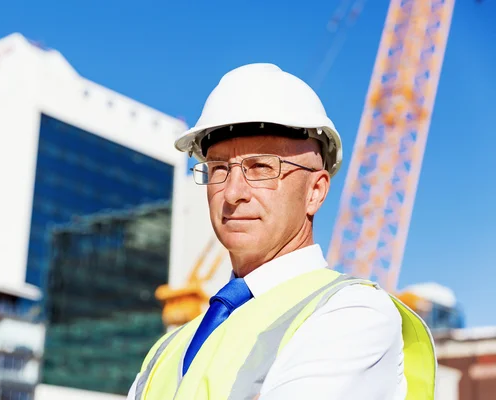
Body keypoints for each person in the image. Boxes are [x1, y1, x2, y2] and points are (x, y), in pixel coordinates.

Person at [127, 63, 436, 400]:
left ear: (315, 191)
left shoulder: (353, 315)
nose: (232, 193)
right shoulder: (169, 349)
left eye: (261, 168)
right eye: (218, 169)